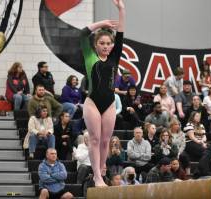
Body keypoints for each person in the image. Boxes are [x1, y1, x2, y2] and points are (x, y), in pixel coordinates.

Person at [80, 0, 125, 187]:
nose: (106, 46)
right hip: (92, 102)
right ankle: (97, 176)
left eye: (108, 43)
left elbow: (121, 33)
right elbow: (83, 33)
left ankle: (102, 166)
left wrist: (121, 9)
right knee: (95, 139)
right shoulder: (89, 55)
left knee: (106, 141)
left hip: (109, 102)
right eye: (102, 43)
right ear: (96, 44)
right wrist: (102, 23)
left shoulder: (115, 56)